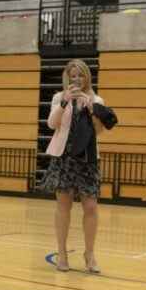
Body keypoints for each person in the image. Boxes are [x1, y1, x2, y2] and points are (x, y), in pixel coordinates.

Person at [40, 59, 108, 274]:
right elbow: (52, 124)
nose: (76, 78)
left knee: (90, 207)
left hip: (87, 159)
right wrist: (64, 103)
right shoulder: (59, 98)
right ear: (67, 77)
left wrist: (91, 109)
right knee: (64, 206)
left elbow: (100, 130)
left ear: (87, 76)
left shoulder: (97, 99)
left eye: (80, 74)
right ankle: (62, 252)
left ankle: (90, 253)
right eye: (73, 75)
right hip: (64, 157)